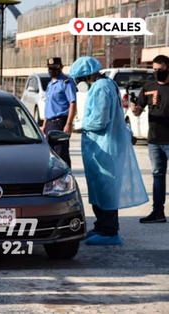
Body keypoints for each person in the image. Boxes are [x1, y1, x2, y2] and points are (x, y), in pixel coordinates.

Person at [69, 56, 148, 245]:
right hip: (102, 146)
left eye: (79, 79)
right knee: (99, 189)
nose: (79, 83)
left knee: (107, 190)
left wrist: (80, 124)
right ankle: (101, 226)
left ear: (86, 75)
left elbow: (99, 120)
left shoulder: (101, 87)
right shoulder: (105, 84)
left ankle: (110, 232)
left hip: (106, 147)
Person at [132, 55, 169, 223]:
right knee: (158, 175)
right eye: (154, 70)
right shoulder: (148, 88)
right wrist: (135, 109)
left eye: (160, 70)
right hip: (154, 140)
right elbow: (138, 110)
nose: (156, 73)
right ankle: (158, 213)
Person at [42, 57, 77, 168]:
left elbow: (73, 103)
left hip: (60, 122)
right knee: (51, 155)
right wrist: (45, 123)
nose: (52, 70)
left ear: (61, 67)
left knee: (61, 155)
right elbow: (49, 105)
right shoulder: (50, 84)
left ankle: (65, 180)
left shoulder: (66, 82)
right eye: (50, 68)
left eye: (55, 68)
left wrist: (69, 124)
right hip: (50, 123)